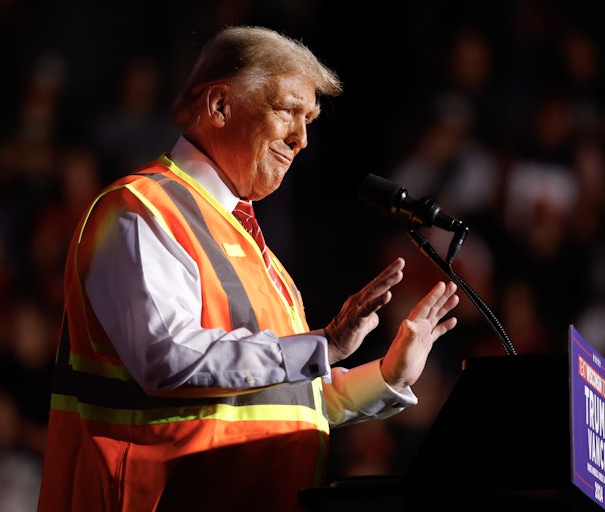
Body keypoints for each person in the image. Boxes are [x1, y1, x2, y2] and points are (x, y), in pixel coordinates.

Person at [36, 25, 460, 512]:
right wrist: (323, 345)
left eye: (310, 120)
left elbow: (283, 397)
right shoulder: (139, 210)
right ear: (219, 106)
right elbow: (166, 360)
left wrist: (387, 375)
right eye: (287, 112)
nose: (301, 140)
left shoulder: (250, 244)